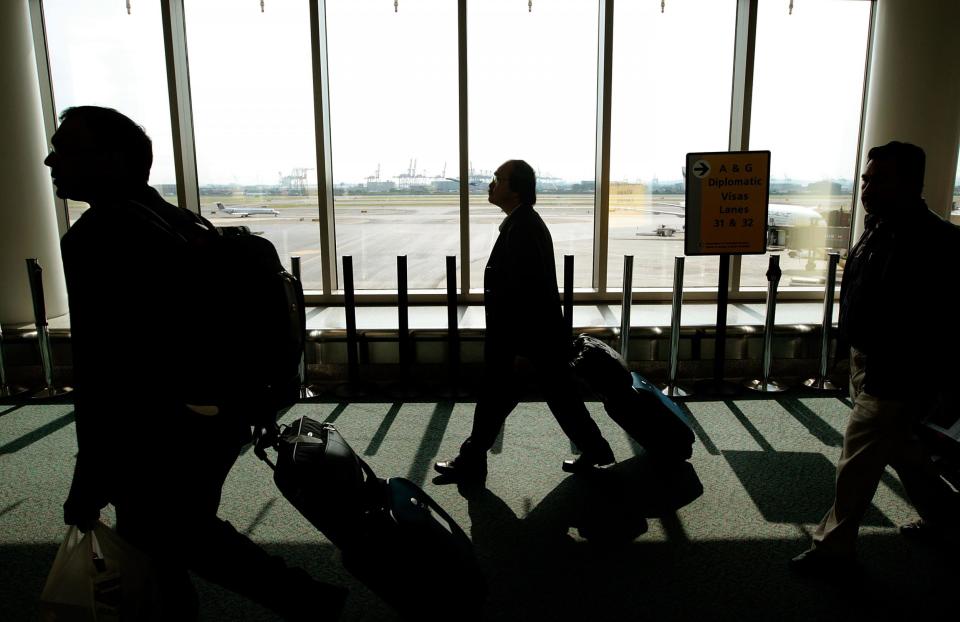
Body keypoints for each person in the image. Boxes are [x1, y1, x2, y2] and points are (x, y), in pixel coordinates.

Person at [49, 106, 346, 620]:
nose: (50, 158)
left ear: (114, 160)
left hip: (160, 424)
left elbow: (106, 368)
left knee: (171, 531)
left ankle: (303, 598)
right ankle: (292, 599)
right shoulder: (181, 222)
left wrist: (89, 473)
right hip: (221, 408)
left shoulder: (99, 237)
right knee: (168, 534)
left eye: (66, 148)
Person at [790, 141, 960, 573]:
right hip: (869, 361)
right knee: (905, 451)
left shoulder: (936, 241)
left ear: (910, 183)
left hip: (900, 372)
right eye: (865, 179)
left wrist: (942, 384)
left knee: (858, 461)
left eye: (878, 179)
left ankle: (833, 547)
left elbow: (945, 323)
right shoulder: (879, 227)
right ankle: (949, 521)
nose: (866, 188)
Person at [434, 160, 614, 482]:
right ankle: (595, 449)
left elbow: (526, 294)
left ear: (515, 189)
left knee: (498, 400)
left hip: (525, 342)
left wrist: (518, 350)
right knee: (558, 398)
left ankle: (471, 460)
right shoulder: (522, 224)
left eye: (497, 179)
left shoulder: (523, 230)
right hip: (537, 340)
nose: (491, 184)